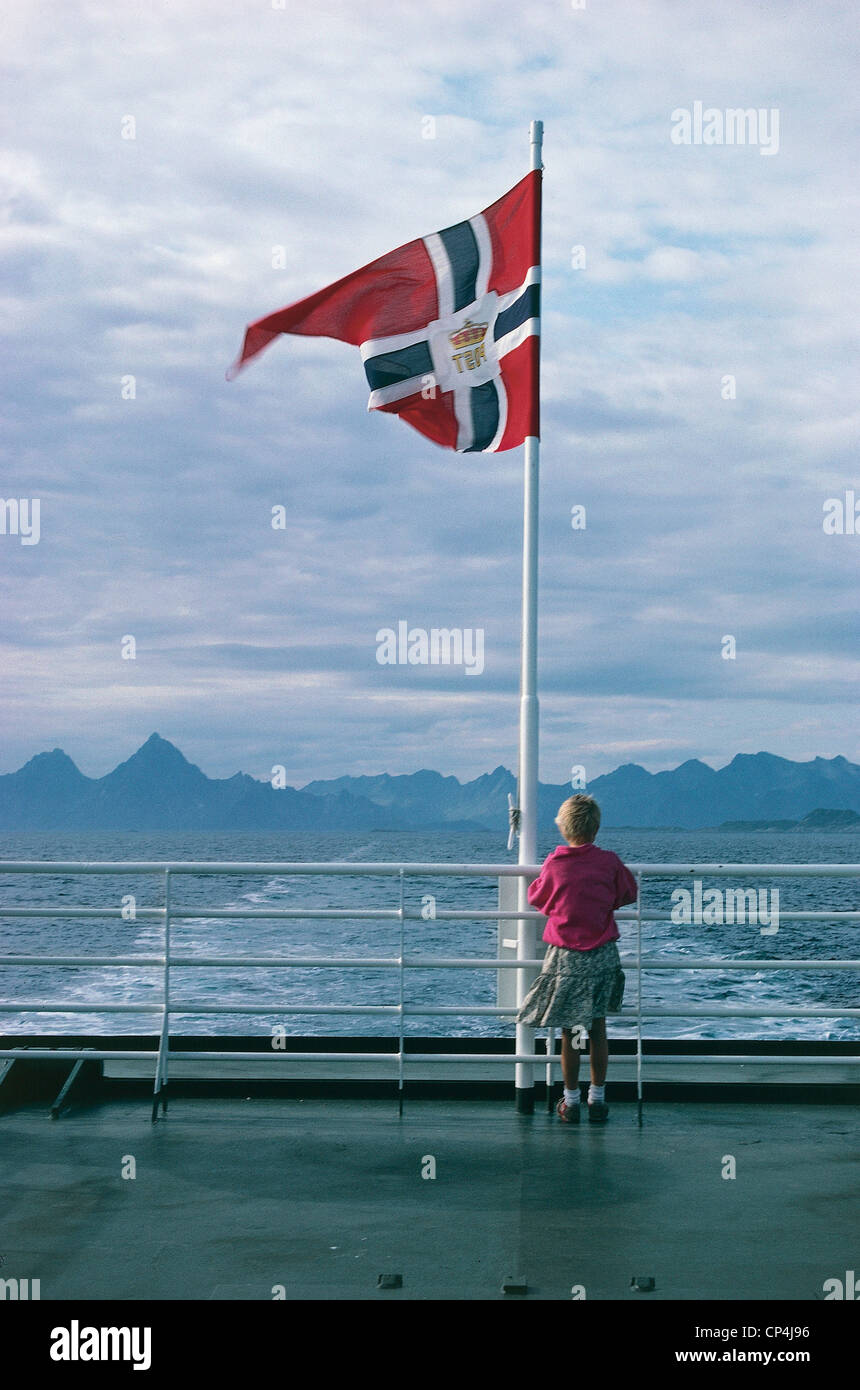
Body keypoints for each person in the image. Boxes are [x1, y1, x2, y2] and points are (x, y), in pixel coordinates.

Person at [515, 794, 637, 1123]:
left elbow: (538, 897)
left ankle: (570, 1103)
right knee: (598, 1029)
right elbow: (628, 892)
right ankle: (597, 1100)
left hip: (567, 959)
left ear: (563, 827)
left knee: (571, 1033)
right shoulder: (610, 862)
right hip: (602, 957)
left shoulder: (556, 863)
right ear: (596, 827)